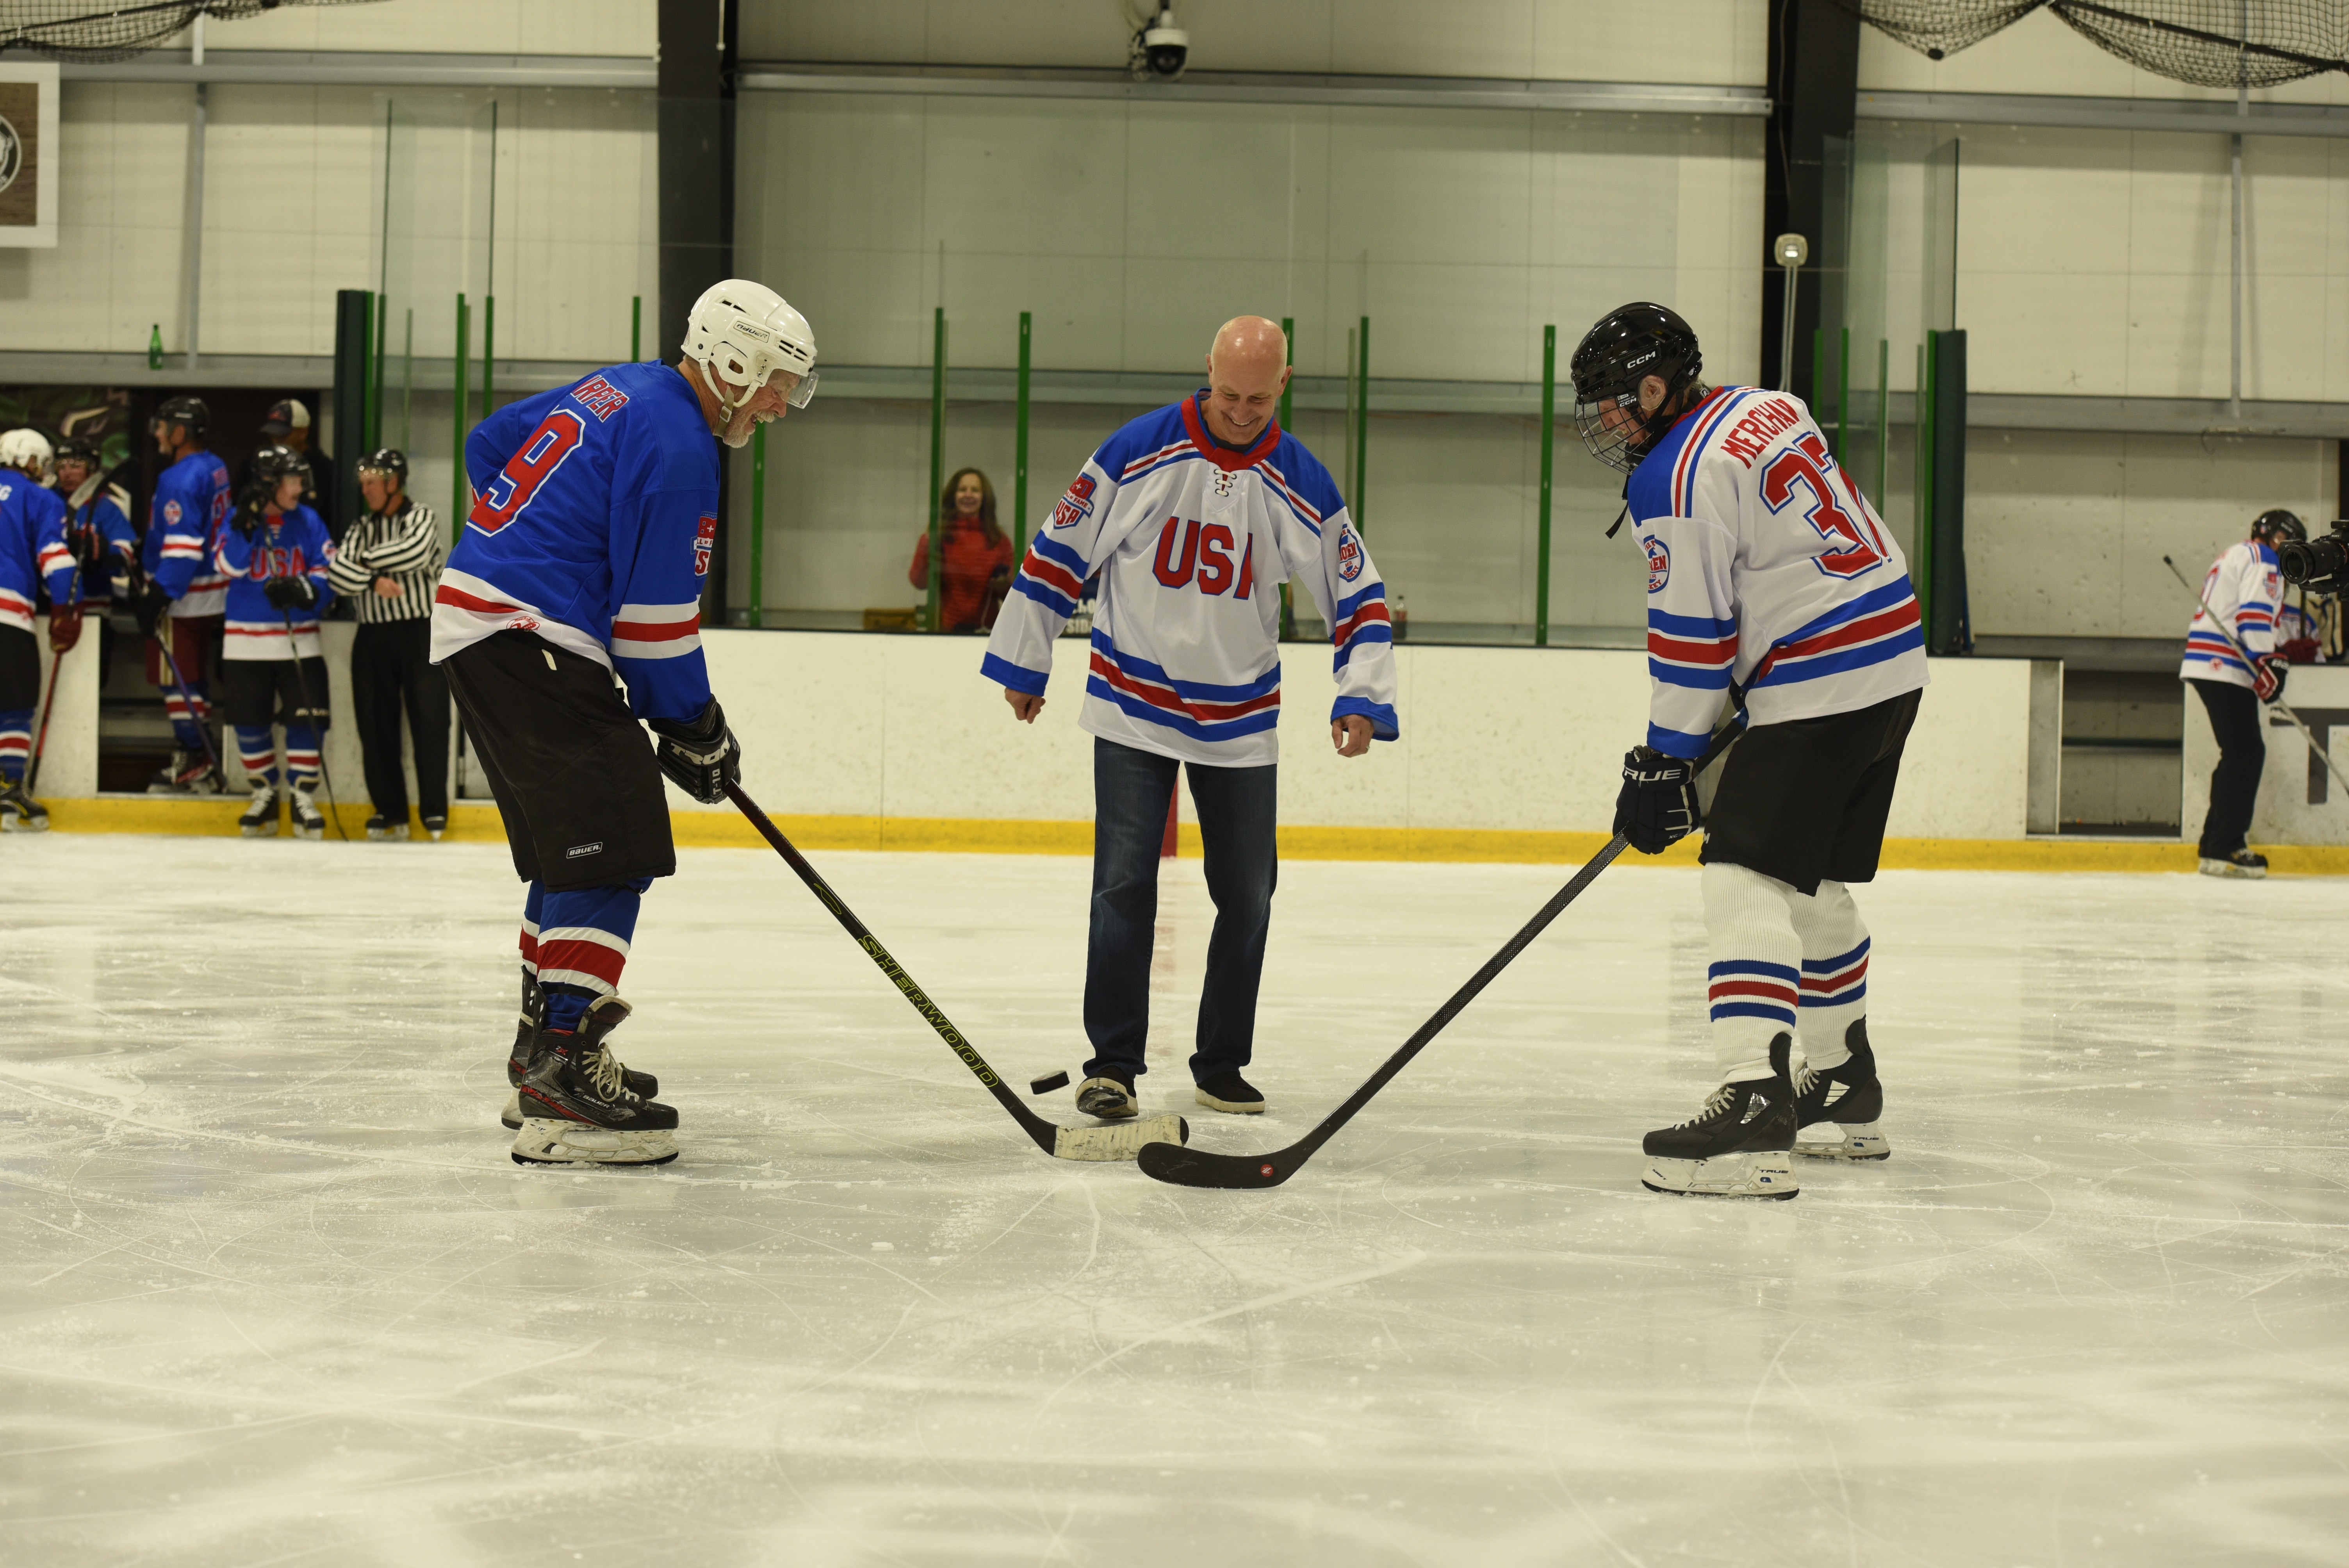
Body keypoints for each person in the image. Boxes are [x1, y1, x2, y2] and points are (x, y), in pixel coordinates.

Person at [432, 278, 818, 1167]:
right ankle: (561, 1076)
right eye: (776, 384)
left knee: (575, 848)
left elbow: (490, 443)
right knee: (613, 841)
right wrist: (696, 725)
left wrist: (534, 541)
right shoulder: (682, 444)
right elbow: (652, 627)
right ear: (733, 363)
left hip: (488, 622)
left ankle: (543, 1051)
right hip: (527, 631)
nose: (780, 407)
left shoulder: (621, 386)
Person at [982, 315, 1397, 1122]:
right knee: (1123, 886)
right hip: (1131, 705)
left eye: (1258, 399)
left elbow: (1356, 591)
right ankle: (1112, 1064)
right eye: (1228, 394)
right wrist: (1028, 659)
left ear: (1284, 384)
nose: (1240, 412)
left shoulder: (1300, 479)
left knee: (1248, 894)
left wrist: (1361, 693)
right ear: (1207, 369)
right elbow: (1060, 546)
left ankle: (1221, 1063)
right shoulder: (1138, 448)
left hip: (1240, 721)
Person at [1569, 301, 1928, 1201]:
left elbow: (1694, 644)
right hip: (1892, 662)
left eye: (1613, 400)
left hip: (1820, 680)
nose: (1605, 419)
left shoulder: (1672, 480)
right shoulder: (1766, 405)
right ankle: (1842, 1081)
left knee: (1740, 871)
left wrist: (1661, 759)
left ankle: (1753, 1106)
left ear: (1657, 390)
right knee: (1806, 881)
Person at [327, 448, 449, 840]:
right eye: (363, 483)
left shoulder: (421, 517)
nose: (365, 490)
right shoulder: (360, 526)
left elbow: (414, 552)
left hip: (420, 632)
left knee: (430, 720)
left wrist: (362, 562)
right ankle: (389, 810)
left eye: (372, 483)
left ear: (394, 482)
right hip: (373, 635)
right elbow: (336, 576)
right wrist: (371, 580)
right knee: (375, 723)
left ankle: (434, 809)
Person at [216, 446, 336, 840]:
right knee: (249, 723)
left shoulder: (309, 519)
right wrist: (245, 527)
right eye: (293, 480)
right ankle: (264, 793)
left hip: (300, 641)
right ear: (269, 483)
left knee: (307, 722)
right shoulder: (237, 519)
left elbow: (328, 570)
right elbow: (227, 565)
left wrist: (305, 589)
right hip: (244, 644)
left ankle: (302, 796)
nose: (300, 488)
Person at [2180, 509, 2296, 879]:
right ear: (2272, 535)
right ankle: (2225, 845)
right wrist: (2266, 660)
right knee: (2246, 753)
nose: (2288, 547)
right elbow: (2254, 613)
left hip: (2209, 662)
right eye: (2286, 538)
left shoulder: (2236, 553)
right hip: (2225, 665)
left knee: (2239, 753)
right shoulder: (2264, 558)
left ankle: (2214, 843)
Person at [136, 395, 232, 794]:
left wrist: (159, 594)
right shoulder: (214, 465)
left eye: (162, 427)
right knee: (191, 677)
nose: (158, 434)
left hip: (184, 595)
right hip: (212, 591)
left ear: (179, 432)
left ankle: (194, 755)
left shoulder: (177, 478)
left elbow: (183, 547)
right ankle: (200, 755)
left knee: (174, 679)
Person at [41, 435, 139, 692]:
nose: (67, 472)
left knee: (87, 686)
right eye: (62, 466)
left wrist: (102, 549)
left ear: (92, 469)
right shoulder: (46, 502)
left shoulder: (106, 507)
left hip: (94, 609)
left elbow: (126, 554)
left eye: (76, 465)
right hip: (49, 609)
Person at [0, 451, 52, 830]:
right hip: (10, 610)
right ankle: (10, 785)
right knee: (16, 704)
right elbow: (55, 558)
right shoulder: (39, 497)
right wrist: (68, 604)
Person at [909, 467, 1015, 632]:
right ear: (953, 496)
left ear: (985, 498)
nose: (968, 495)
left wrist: (1002, 585)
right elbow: (919, 582)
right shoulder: (938, 537)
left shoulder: (999, 541)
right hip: (945, 634)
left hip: (989, 634)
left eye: (975, 490)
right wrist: (927, 542)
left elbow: (1014, 596)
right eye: (962, 490)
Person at [260, 398, 333, 534]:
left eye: (283, 436)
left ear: (303, 433)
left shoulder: (324, 469)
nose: (276, 441)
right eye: (273, 435)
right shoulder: (261, 464)